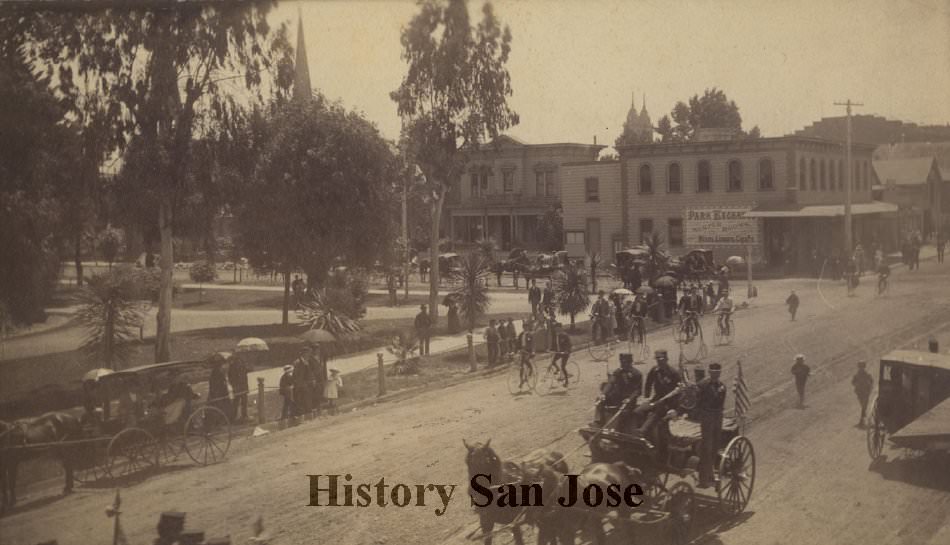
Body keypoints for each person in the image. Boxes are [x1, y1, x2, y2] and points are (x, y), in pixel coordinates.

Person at [639, 350, 683, 462]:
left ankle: (644, 432)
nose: (659, 361)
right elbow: (648, 384)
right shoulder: (655, 370)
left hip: (669, 402)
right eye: (657, 359)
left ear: (666, 359)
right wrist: (646, 397)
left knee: (656, 415)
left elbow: (679, 392)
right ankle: (642, 434)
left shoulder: (673, 373)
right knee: (638, 411)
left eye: (661, 359)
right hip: (657, 399)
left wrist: (675, 409)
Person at [697, 362, 727, 488]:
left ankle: (711, 474)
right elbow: (697, 400)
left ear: (720, 373)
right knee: (707, 447)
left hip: (717, 416)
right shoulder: (703, 385)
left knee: (715, 446)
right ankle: (704, 478)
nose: (715, 374)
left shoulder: (722, 386)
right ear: (709, 372)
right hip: (707, 416)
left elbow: (721, 402)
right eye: (713, 371)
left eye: (717, 372)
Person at [598, 353, 643, 432]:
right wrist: (603, 394)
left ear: (630, 362)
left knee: (624, 411)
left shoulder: (637, 374)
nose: (623, 364)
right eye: (621, 362)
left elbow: (638, 391)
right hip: (617, 397)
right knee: (599, 401)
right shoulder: (618, 372)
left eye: (625, 362)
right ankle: (599, 422)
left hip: (629, 400)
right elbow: (611, 383)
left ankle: (618, 429)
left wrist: (629, 399)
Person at [293, 346, 315, 418]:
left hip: (307, 384)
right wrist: (299, 383)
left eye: (309, 353)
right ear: (303, 353)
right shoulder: (297, 362)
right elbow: (296, 375)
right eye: (308, 353)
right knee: (300, 400)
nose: (309, 355)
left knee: (308, 399)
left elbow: (310, 373)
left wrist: (312, 380)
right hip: (300, 385)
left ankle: (308, 414)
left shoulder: (307, 362)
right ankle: (301, 416)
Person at [227, 352, 250, 421]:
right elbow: (231, 377)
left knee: (240, 402)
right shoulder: (235, 365)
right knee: (239, 402)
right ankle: (237, 416)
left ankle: (239, 416)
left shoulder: (238, 365)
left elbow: (246, 372)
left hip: (240, 386)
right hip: (240, 387)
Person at [550, 323, 572, 387]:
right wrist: (550, 349)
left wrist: (566, 351)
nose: (557, 330)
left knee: (563, 366)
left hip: (565, 353)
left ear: (560, 328)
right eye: (555, 328)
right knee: (552, 362)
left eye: (558, 328)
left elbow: (569, 344)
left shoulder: (564, 335)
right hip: (559, 352)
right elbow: (554, 345)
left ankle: (566, 381)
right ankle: (557, 369)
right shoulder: (555, 336)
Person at [852, 361, 874, 427]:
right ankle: (864, 420)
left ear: (864, 367)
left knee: (864, 406)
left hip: (866, 393)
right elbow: (853, 382)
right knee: (863, 406)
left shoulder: (867, 375)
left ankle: (862, 421)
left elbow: (871, 381)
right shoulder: (857, 375)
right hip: (860, 393)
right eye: (860, 367)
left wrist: (869, 387)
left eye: (862, 367)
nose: (861, 368)